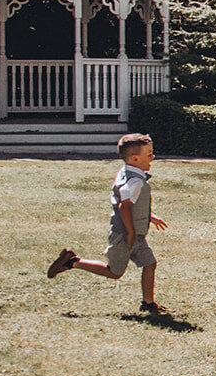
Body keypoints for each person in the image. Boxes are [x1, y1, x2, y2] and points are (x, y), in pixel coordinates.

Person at [47, 132, 169, 315]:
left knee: (149, 263)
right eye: (149, 154)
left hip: (135, 234)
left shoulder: (127, 172)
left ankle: (148, 303)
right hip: (125, 235)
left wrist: (149, 216)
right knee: (114, 272)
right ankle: (73, 262)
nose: (153, 157)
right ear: (135, 158)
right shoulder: (134, 181)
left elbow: (131, 203)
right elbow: (125, 207)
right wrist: (129, 234)